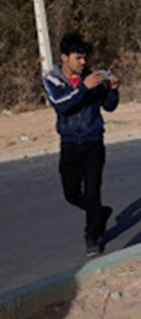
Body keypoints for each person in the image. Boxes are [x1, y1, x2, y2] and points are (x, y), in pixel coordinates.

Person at [43, 33, 120, 257]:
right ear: (64, 57)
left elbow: (109, 106)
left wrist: (113, 89)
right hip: (69, 144)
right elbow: (61, 105)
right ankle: (100, 213)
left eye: (85, 58)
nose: (83, 62)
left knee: (93, 191)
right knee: (71, 193)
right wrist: (83, 88)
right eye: (78, 58)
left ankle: (92, 236)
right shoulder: (53, 80)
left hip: (93, 142)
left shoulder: (94, 78)